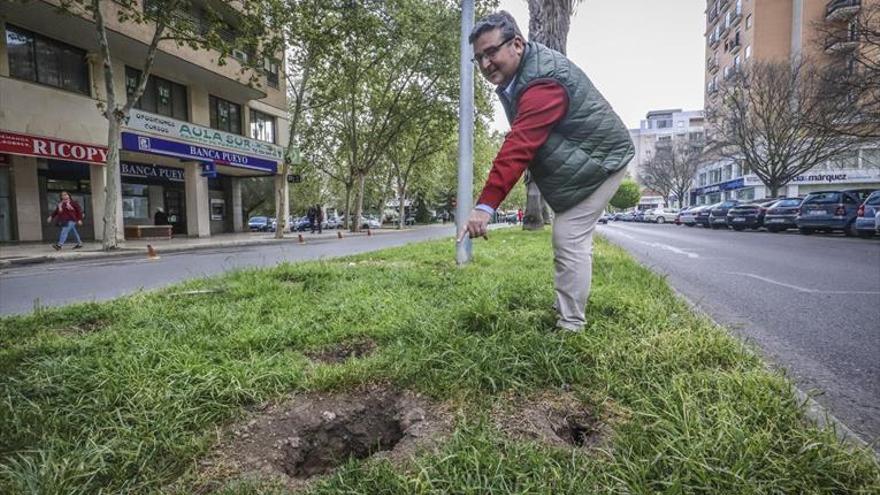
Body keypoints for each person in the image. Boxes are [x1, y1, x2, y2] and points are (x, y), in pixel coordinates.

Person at [458, 12, 635, 332]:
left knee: (569, 238)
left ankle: (571, 326)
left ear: (517, 44)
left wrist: (485, 207)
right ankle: (567, 306)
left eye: (491, 52)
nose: (485, 64)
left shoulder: (542, 82)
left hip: (601, 162)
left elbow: (519, 146)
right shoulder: (523, 74)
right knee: (569, 238)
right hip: (585, 160)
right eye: (479, 58)